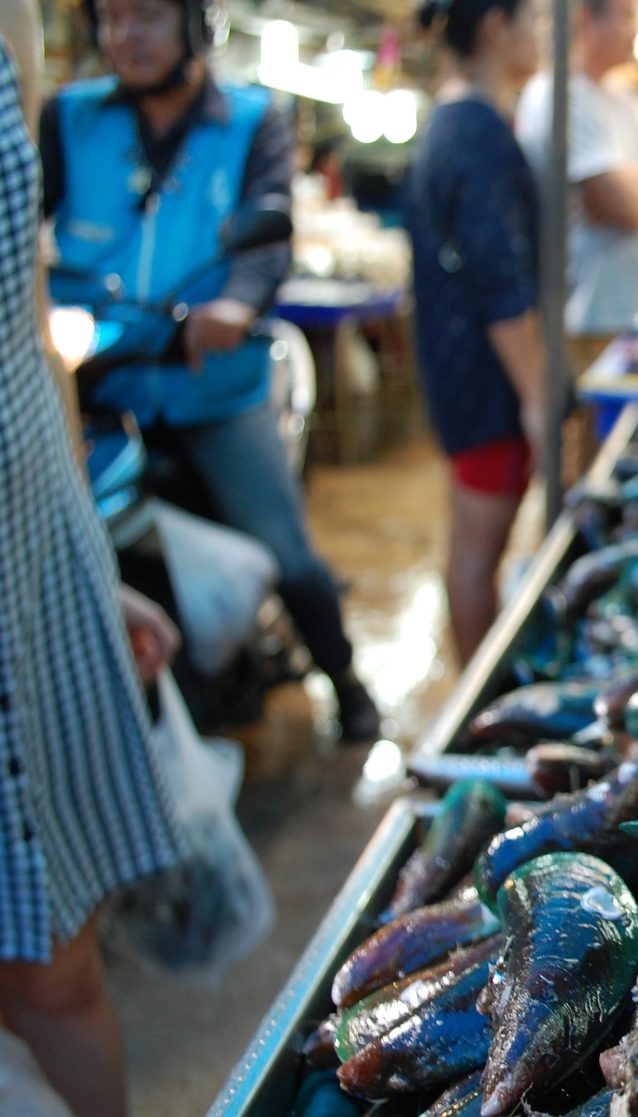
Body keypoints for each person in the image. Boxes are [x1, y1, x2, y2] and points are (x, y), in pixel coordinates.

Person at [40, 0, 381, 740]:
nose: (127, 36)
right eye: (113, 18)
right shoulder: (70, 117)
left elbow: (266, 239)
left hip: (212, 382)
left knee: (289, 555)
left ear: (196, 25)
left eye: (150, 18)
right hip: (102, 375)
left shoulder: (252, 120)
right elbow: (29, 227)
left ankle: (346, 682)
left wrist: (236, 304)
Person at [0, 2, 186, 1114]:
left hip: (25, 547)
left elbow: (27, 316)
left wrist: (80, 549)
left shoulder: (13, 20)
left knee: (58, 966)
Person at [406, 0, 544, 663]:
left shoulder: (454, 120)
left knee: (472, 545)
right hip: (485, 379)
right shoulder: (476, 129)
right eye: (535, 18)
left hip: (463, 368)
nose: (542, 33)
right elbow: (499, 275)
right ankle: (475, 700)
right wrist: (536, 393)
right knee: (475, 549)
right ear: (496, 25)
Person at [514, 0, 638, 423]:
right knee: (590, 448)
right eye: (626, 16)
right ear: (586, 17)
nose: (635, 29)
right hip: (591, 319)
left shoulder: (623, 100)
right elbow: (628, 207)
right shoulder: (556, 96)